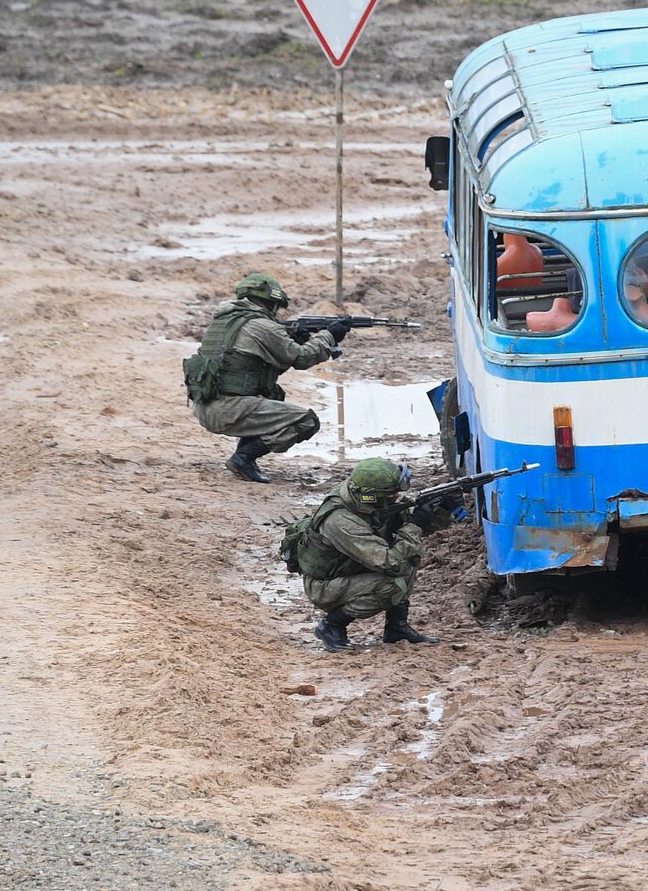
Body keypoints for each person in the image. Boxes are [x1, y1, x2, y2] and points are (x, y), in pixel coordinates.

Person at [184, 274, 348, 483]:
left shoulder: (224, 320)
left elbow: (255, 369)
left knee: (272, 394)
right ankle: (243, 458)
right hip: (227, 409)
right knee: (306, 421)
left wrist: (290, 339)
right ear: (270, 303)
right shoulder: (262, 326)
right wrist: (328, 336)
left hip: (206, 406)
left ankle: (245, 459)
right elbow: (301, 358)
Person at [293, 458, 462, 652]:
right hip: (326, 585)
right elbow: (389, 562)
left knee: (409, 557)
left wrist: (440, 509)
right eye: (392, 493)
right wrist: (415, 525)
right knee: (390, 585)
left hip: (351, 568)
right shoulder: (341, 521)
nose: (398, 496)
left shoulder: (366, 501)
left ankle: (396, 628)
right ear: (372, 496)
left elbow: (415, 530)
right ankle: (332, 626)